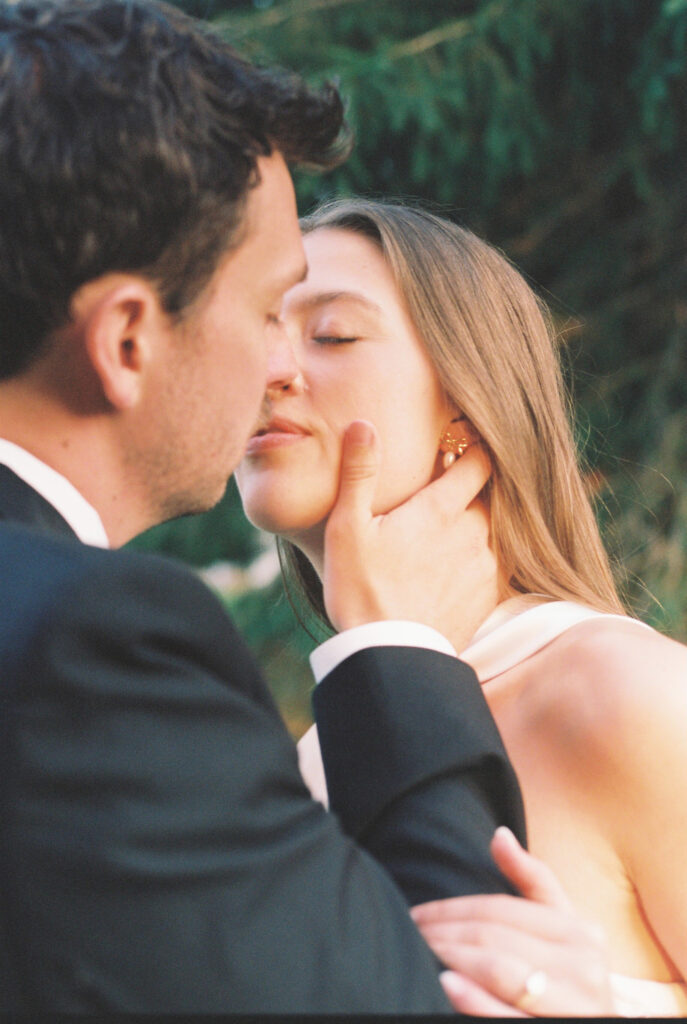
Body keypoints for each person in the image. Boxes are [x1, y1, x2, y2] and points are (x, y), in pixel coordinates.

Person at [0, 0, 531, 1013]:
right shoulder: (89, 651)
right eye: (269, 313)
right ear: (124, 342)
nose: (283, 367)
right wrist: (395, 649)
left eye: (329, 331)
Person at [236, 197, 687, 1016]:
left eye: (331, 333)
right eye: (255, 328)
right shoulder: (298, 771)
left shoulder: (620, 695)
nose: (268, 368)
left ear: (465, 402)